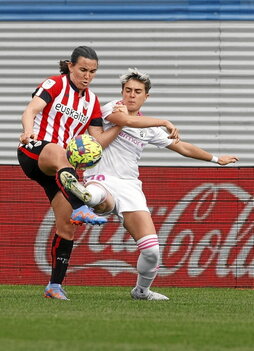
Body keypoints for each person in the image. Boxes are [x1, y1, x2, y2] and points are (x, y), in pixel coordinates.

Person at [80, 68, 239, 300]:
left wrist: (216, 159)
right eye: (127, 90)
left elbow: (182, 147)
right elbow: (123, 120)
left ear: (146, 97)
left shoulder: (148, 128)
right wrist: (165, 120)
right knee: (99, 197)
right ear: (121, 92)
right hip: (101, 178)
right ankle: (85, 198)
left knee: (152, 251)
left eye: (137, 92)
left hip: (130, 187)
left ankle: (141, 291)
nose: (131, 95)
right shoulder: (112, 108)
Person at [17, 46, 125, 300]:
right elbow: (30, 110)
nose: (87, 76)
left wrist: (122, 122)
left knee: (66, 226)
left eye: (93, 72)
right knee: (58, 150)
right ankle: (79, 204)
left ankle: (54, 286)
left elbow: (97, 140)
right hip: (36, 153)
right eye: (83, 70)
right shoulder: (55, 84)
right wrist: (27, 130)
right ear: (70, 66)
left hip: (61, 172)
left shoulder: (92, 102)